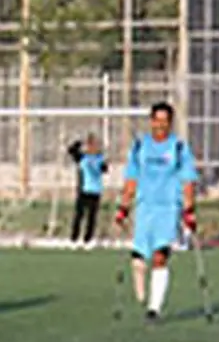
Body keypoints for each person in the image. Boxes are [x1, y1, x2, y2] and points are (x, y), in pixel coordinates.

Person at [114, 102, 199, 322]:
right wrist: (123, 207)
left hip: (169, 208)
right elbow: (131, 179)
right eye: (157, 120)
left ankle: (154, 308)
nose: (160, 125)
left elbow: (187, 181)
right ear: (151, 121)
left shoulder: (179, 148)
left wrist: (189, 210)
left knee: (160, 256)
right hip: (144, 207)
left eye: (165, 121)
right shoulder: (140, 147)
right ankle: (141, 285)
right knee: (139, 257)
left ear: (170, 123)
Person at [67, 133, 107, 247]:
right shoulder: (82, 157)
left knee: (92, 217)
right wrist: (80, 142)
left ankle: (88, 240)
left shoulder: (100, 158)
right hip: (84, 190)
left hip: (95, 191)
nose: (93, 147)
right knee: (79, 215)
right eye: (90, 145)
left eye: (95, 145)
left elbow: (104, 168)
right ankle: (74, 239)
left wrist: (102, 165)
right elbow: (71, 150)